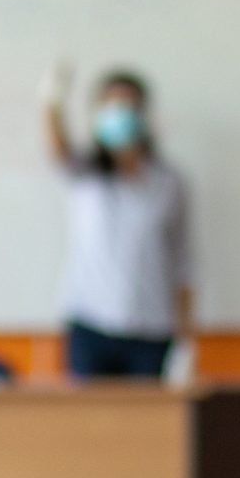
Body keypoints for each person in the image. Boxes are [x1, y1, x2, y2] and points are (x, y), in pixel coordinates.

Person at [43, 64, 194, 383]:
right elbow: (59, 151)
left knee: (145, 427)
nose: (120, 112)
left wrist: (186, 341)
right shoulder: (86, 175)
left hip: (151, 328)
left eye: (128, 104)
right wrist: (52, 102)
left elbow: (183, 262)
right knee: (89, 426)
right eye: (111, 104)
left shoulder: (168, 183)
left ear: (143, 113)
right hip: (90, 323)